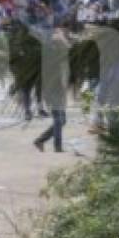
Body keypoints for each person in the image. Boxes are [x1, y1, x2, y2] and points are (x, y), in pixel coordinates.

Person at [34, 20, 70, 153]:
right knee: (58, 118)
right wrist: (60, 37)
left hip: (57, 88)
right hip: (52, 89)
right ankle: (57, 147)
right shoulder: (50, 50)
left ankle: (40, 140)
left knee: (62, 120)